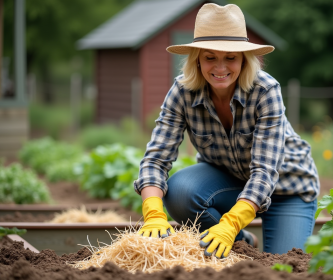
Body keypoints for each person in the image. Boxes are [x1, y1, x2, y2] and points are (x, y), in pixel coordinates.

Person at [134, 3, 319, 259]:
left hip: (286, 189)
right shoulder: (182, 92)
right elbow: (156, 158)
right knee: (180, 192)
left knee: (283, 265)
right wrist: (153, 212)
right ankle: (243, 241)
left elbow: (265, 172)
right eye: (210, 57)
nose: (220, 68)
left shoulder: (265, 91)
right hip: (231, 180)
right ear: (197, 59)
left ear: (244, 59)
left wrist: (230, 224)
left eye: (230, 57)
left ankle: (233, 230)